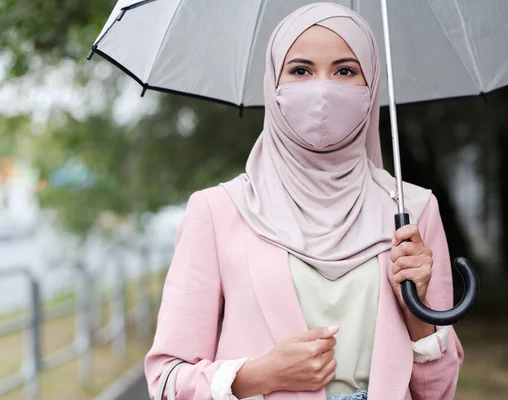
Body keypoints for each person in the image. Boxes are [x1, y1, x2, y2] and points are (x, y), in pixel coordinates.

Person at [145, 3, 463, 400]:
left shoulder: (413, 212)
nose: (322, 89)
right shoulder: (218, 210)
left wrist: (418, 317)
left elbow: (439, 392)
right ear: (273, 86)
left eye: (345, 71)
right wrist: (258, 375)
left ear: (372, 88)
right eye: (300, 71)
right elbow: (166, 380)